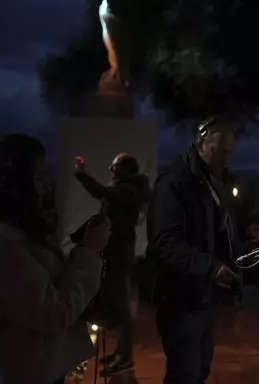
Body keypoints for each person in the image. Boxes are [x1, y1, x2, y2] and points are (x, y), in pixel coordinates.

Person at [0, 134, 110, 384]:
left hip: (37, 367)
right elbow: (53, 314)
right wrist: (88, 251)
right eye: (39, 178)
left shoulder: (19, 233)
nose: (47, 187)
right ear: (14, 186)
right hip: (20, 373)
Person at [147, 116, 242, 384]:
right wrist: (211, 267)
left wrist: (243, 234)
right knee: (185, 374)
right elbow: (166, 242)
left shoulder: (211, 182)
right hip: (181, 299)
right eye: (221, 150)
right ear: (201, 143)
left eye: (229, 152)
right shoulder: (175, 184)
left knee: (198, 371)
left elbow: (213, 229)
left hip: (204, 295)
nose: (226, 158)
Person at [74, 153, 151, 375]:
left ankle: (124, 357)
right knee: (113, 303)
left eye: (115, 166)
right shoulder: (126, 189)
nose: (110, 168)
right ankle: (121, 353)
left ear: (127, 170)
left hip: (117, 255)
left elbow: (101, 192)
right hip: (113, 253)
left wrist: (81, 174)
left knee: (120, 305)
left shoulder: (128, 191)